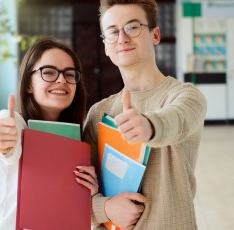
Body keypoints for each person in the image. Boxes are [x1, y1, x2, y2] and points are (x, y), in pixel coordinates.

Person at [83, 0, 207, 229]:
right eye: (113, 32)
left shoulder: (186, 96)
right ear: (106, 46)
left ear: (155, 35)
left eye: (132, 27)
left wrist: (149, 126)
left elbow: (176, 120)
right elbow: (80, 197)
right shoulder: (99, 113)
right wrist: (105, 208)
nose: (122, 38)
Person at [0, 38, 98, 229]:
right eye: (49, 72)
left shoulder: (72, 141)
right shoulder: (13, 123)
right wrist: (5, 143)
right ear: (29, 84)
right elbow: (6, 147)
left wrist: (87, 192)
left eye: (69, 75)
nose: (61, 80)